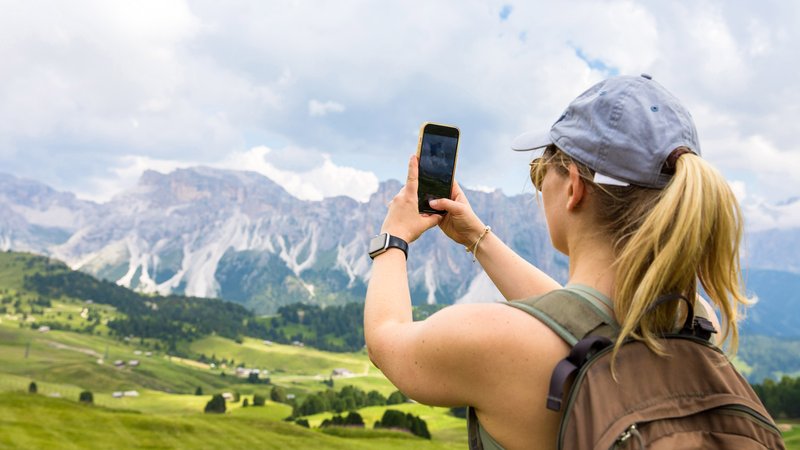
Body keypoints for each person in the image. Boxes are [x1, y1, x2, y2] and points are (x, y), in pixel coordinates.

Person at [363, 74, 747, 449]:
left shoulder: (493, 339)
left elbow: (385, 339)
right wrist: (476, 237)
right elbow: (576, 321)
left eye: (540, 171)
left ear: (574, 187)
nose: (540, 183)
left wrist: (393, 237)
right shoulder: (694, 318)